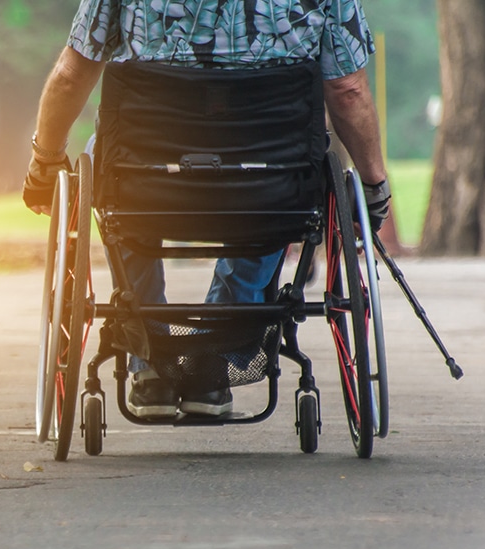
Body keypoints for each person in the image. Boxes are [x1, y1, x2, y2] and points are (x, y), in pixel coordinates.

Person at [24, 0, 394, 419]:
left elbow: (72, 75)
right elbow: (348, 90)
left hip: (148, 186)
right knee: (283, 181)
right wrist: (372, 185)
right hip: (265, 185)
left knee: (108, 164)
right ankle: (213, 364)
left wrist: (44, 162)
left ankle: (151, 364)